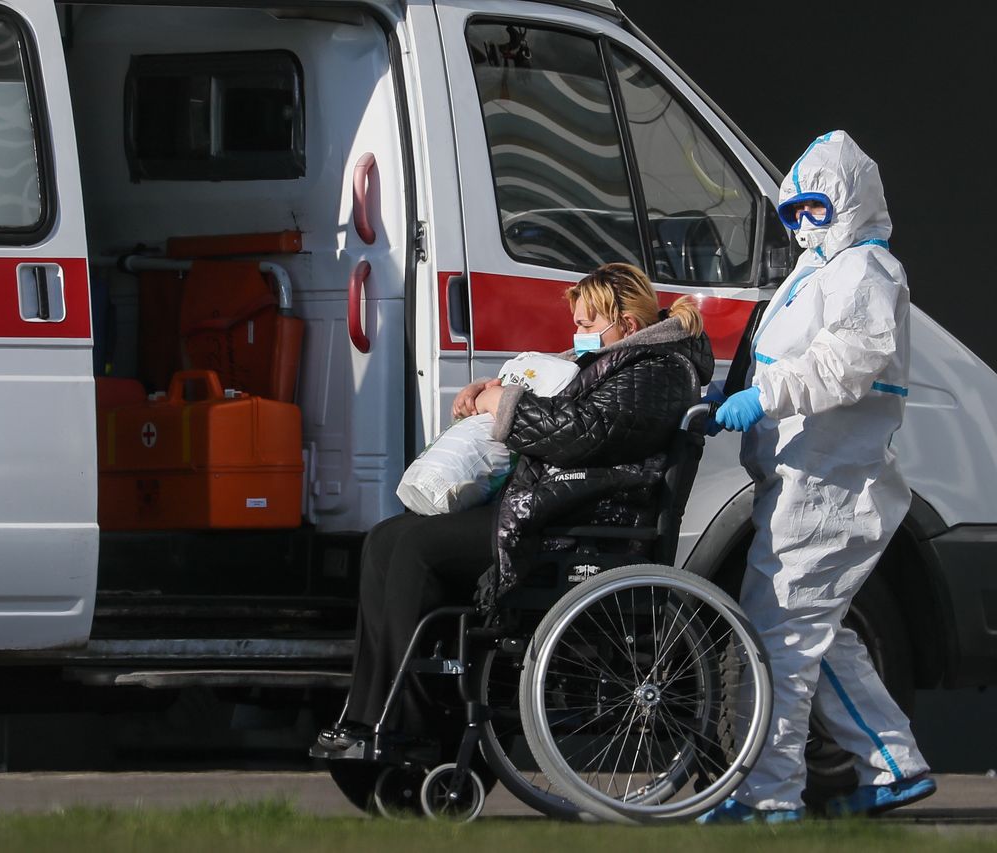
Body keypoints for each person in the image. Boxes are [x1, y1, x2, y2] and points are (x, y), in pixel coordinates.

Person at [314, 262, 713, 752]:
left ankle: (410, 724)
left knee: (417, 548)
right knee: (385, 538)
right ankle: (370, 713)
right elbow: (565, 408)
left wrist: (503, 406)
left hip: (582, 524)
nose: (578, 333)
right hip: (551, 508)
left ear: (626, 326)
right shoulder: (626, 362)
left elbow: (581, 434)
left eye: (587, 324)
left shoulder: (658, 371)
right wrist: (491, 390)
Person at [699, 131, 935, 824]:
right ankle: (894, 765)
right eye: (794, 211)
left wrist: (760, 398)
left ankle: (767, 793)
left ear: (850, 203)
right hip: (808, 481)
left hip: (830, 488)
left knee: (781, 641)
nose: (803, 224)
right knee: (817, 635)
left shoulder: (866, 272)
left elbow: (844, 362)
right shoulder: (823, 272)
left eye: (816, 208)